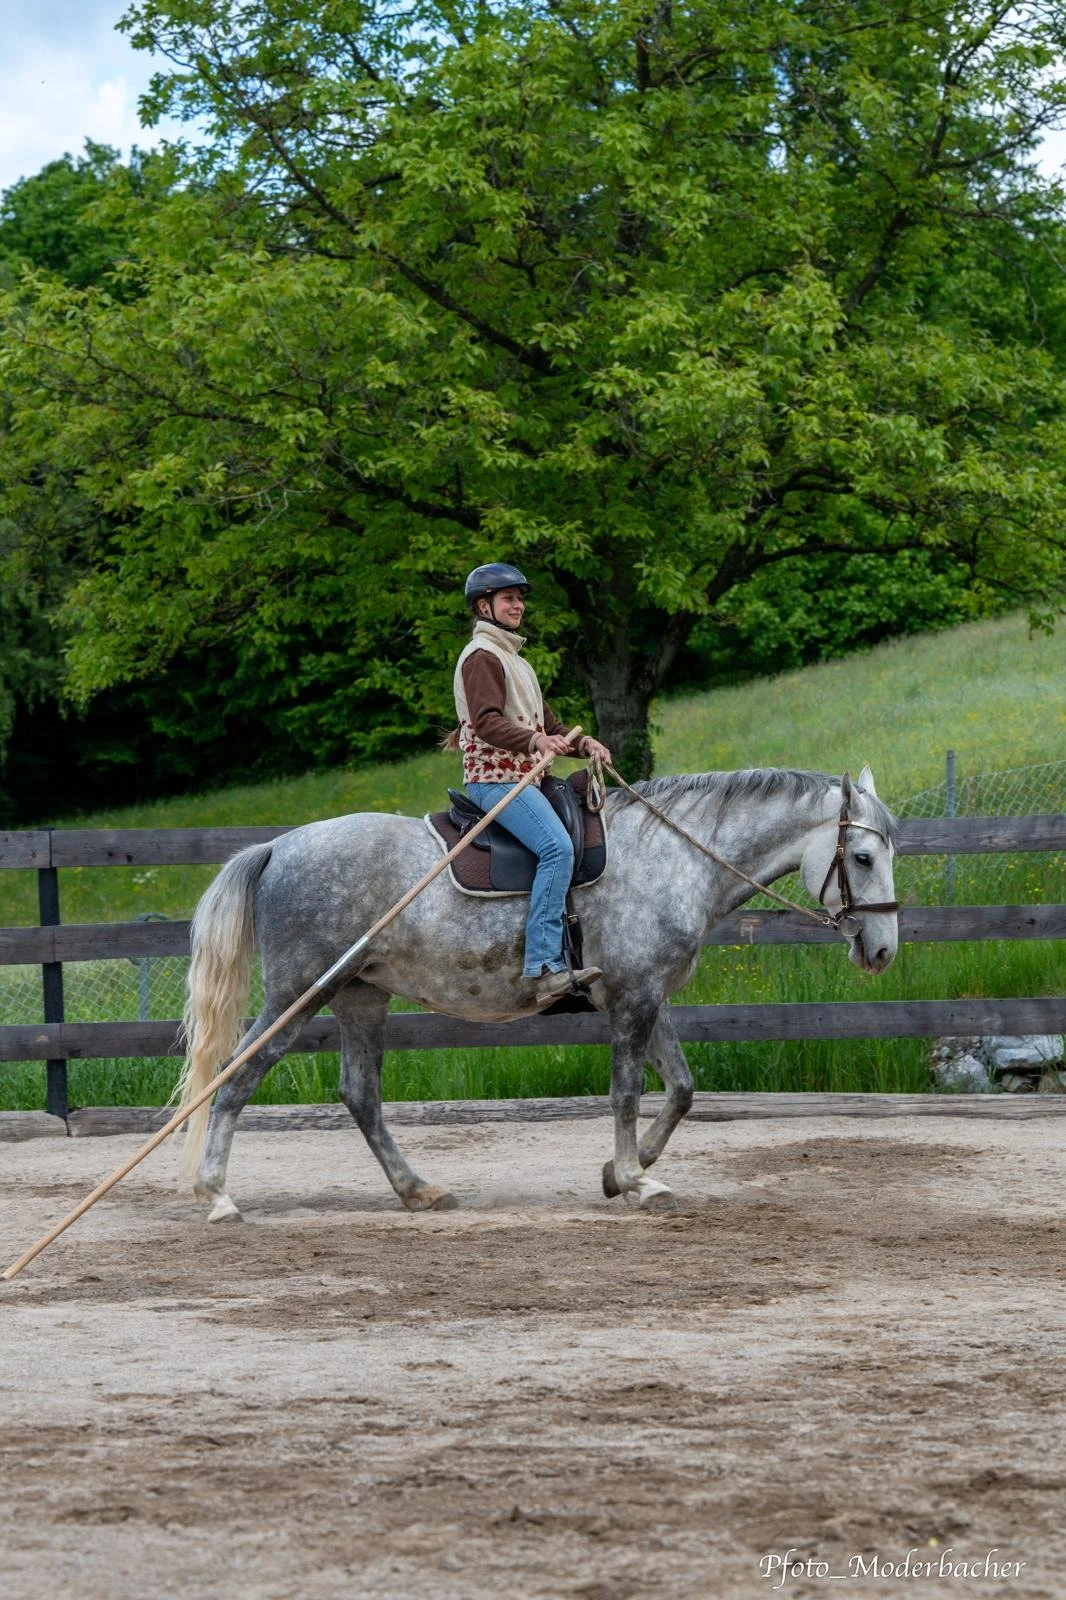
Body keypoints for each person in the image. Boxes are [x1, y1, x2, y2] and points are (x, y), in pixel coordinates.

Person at [451, 562, 611, 1004]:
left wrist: (584, 746)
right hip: (496, 780)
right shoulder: (482, 655)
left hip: (527, 779)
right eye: (509, 599)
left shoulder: (515, 659)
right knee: (556, 848)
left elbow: (550, 724)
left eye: (520, 598)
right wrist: (536, 740)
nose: (518, 605)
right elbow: (486, 723)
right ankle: (543, 968)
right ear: (484, 606)